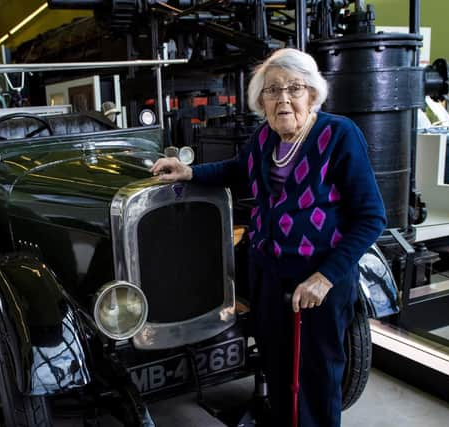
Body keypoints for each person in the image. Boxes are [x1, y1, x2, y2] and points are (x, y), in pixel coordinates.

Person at [150, 48, 386, 427]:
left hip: (318, 281)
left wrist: (324, 278)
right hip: (268, 274)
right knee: (277, 368)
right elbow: (236, 169)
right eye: (273, 91)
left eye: (294, 88)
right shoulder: (265, 139)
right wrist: (189, 171)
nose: (283, 99)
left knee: (318, 375)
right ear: (261, 101)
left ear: (312, 93)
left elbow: (372, 216)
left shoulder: (339, 135)